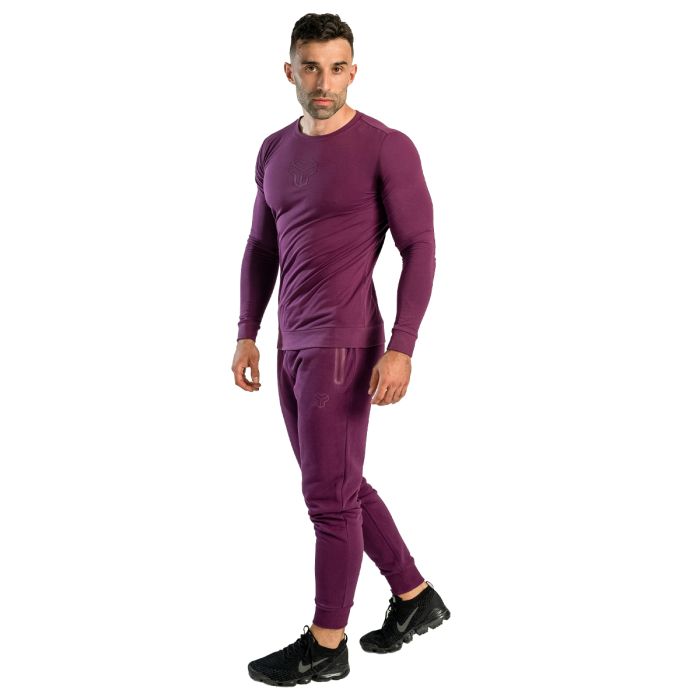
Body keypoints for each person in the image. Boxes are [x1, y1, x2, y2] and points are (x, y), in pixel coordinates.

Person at [232, 13, 450, 687]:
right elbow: (261, 246)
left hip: (345, 345)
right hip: (291, 344)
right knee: (342, 485)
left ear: (353, 71)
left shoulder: (386, 146)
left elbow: (420, 247)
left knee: (328, 498)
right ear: (289, 71)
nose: (322, 83)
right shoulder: (273, 150)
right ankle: (414, 595)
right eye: (310, 67)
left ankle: (326, 643)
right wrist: (246, 330)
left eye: (335, 68)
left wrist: (403, 346)